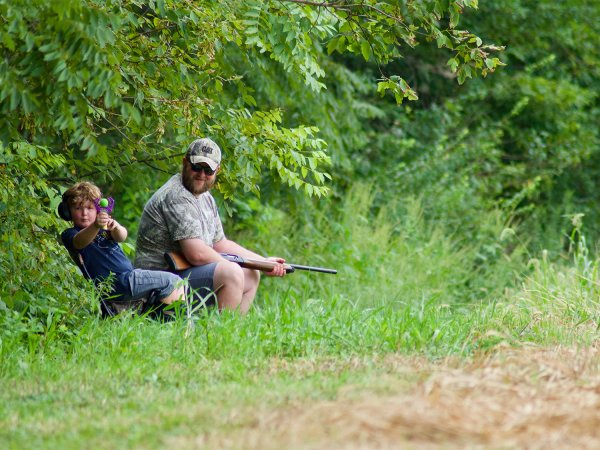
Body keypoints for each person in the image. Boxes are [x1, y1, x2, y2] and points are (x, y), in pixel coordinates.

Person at [135, 138, 286, 314]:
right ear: (185, 162)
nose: (201, 174)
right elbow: (197, 254)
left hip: (179, 277)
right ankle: (221, 338)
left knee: (252, 275)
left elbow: (220, 243)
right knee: (232, 273)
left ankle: (232, 333)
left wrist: (262, 262)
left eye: (208, 170)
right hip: (157, 285)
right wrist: (235, 267)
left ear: (217, 171)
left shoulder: (205, 198)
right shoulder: (176, 196)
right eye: (196, 167)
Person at [59, 181, 185, 315]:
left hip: (127, 279)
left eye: (89, 208)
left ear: (97, 209)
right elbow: (79, 242)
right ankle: (179, 327)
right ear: (68, 211)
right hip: (119, 283)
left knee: (167, 289)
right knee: (174, 281)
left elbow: (122, 236)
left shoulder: (104, 228)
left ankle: (168, 326)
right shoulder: (70, 234)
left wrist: (116, 227)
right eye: (78, 208)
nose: (84, 213)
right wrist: (95, 225)